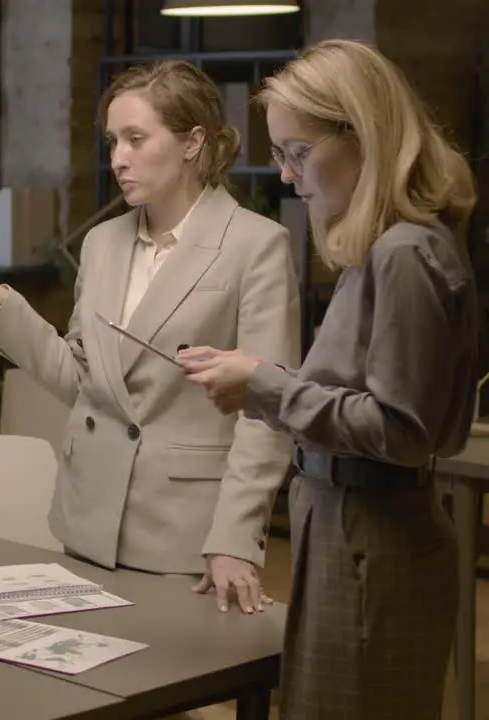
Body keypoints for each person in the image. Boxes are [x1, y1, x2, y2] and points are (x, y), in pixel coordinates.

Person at [0, 60, 300, 613]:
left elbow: (266, 412)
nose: (118, 159)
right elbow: (82, 379)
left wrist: (234, 539)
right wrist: (5, 307)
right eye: (112, 142)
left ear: (193, 141)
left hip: (186, 535)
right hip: (85, 521)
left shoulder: (257, 245)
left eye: (135, 138)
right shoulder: (102, 243)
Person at [179, 39, 478, 719]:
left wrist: (264, 384)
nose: (287, 176)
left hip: (375, 536)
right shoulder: (385, 244)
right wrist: (261, 379)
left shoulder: (405, 251)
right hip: (345, 526)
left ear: (363, 132)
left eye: (299, 153)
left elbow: (400, 430)